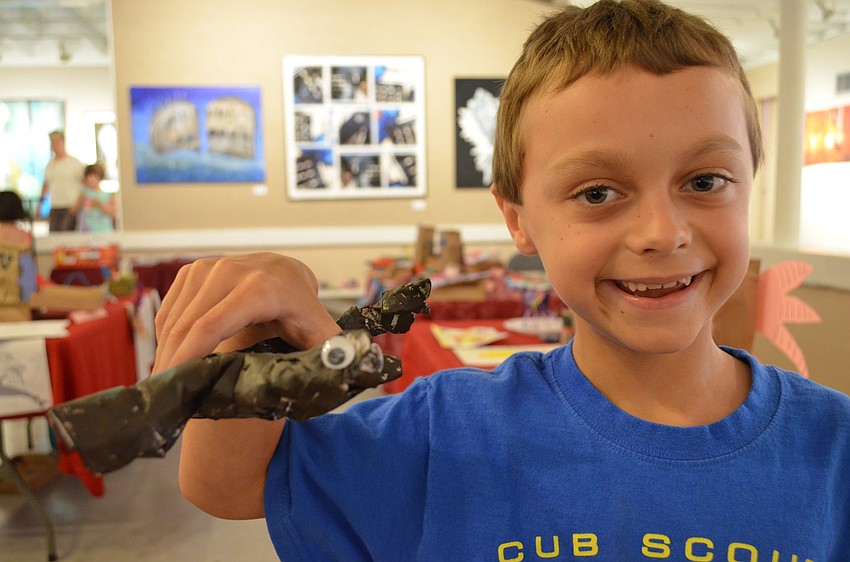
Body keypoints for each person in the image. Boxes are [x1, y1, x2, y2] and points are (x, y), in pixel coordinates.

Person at [153, 1, 850, 560]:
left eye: (705, 181)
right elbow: (227, 485)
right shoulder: (446, 431)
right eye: (598, 193)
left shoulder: (834, 448)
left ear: (751, 182)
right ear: (518, 219)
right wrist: (257, 329)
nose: (661, 233)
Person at [39, 129, 84, 232]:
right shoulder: (50, 165)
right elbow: (46, 185)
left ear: (63, 142)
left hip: (70, 206)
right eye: (52, 142)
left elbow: (84, 186)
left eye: (56, 141)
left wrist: (77, 204)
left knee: (66, 236)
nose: (54, 145)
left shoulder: (74, 163)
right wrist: (40, 204)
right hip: (55, 206)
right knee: (53, 235)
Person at [72, 163, 116, 233]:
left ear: (99, 177)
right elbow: (73, 210)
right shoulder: (83, 194)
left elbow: (113, 213)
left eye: (93, 176)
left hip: (103, 231)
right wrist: (81, 199)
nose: (90, 179)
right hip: (85, 232)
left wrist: (100, 204)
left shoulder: (108, 195)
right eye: (88, 176)